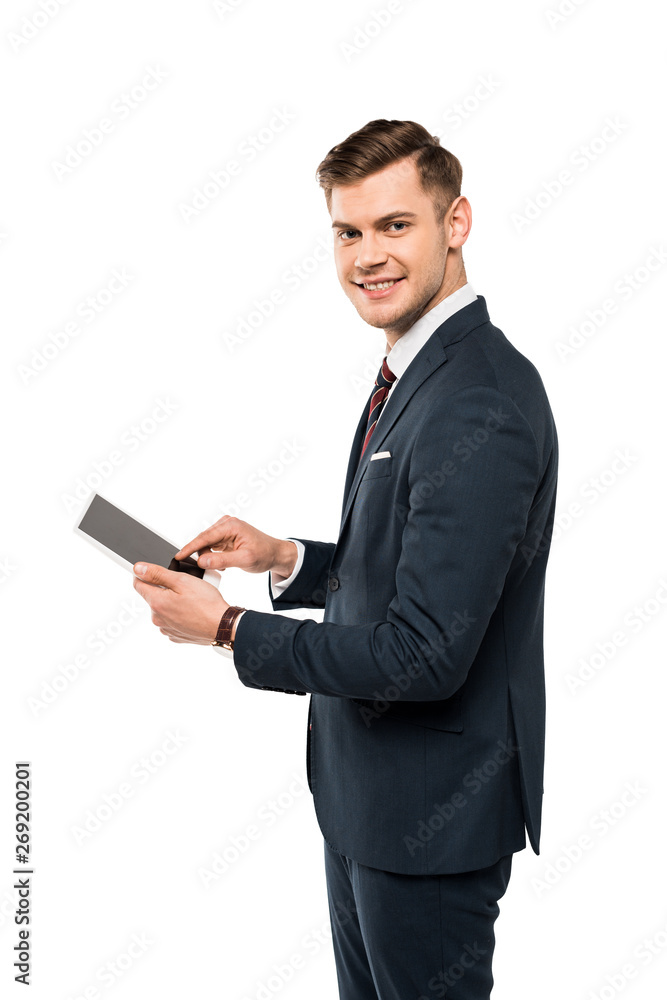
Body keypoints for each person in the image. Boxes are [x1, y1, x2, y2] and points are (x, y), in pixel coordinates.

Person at [132, 118, 559, 1000]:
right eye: (348, 231)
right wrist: (285, 558)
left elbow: (423, 654)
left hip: (429, 823)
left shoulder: (478, 401)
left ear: (456, 222)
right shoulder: (419, 371)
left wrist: (228, 628)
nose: (367, 255)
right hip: (369, 805)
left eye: (394, 225)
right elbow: (418, 570)